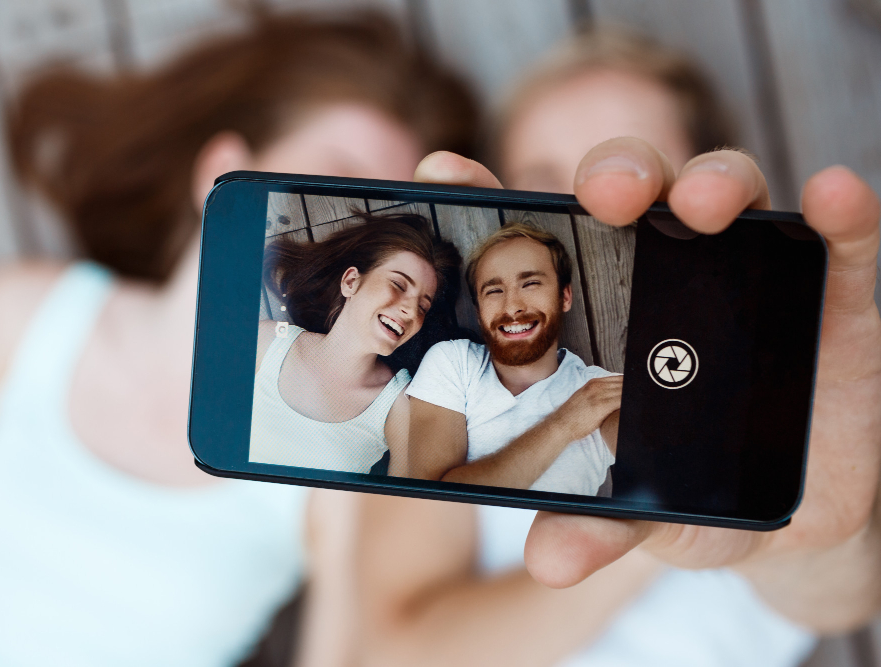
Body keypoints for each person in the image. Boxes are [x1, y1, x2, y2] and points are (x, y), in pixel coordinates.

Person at [0, 10, 478, 667]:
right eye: (333, 182)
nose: (356, 230)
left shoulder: (333, 465)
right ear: (223, 172)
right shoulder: (25, 310)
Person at [355, 29, 874, 666]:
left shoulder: (758, 400)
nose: (596, 210)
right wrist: (650, 507)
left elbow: (839, 592)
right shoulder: (462, 378)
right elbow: (388, 651)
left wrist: (704, 493)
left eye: (641, 196)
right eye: (548, 186)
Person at [405, 222, 621, 494]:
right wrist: (564, 424)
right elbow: (431, 501)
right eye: (494, 291)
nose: (512, 307)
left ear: (564, 296)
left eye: (530, 284)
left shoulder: (599, 391)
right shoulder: (453, 362)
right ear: (478, 308)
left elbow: (657, 458)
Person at [250, 212, 459, 475]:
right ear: (351, 282)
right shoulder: (267, 343)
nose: (411, 311)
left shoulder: (397, 407)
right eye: (398, 284)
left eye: (423, 306)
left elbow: (403, 506)